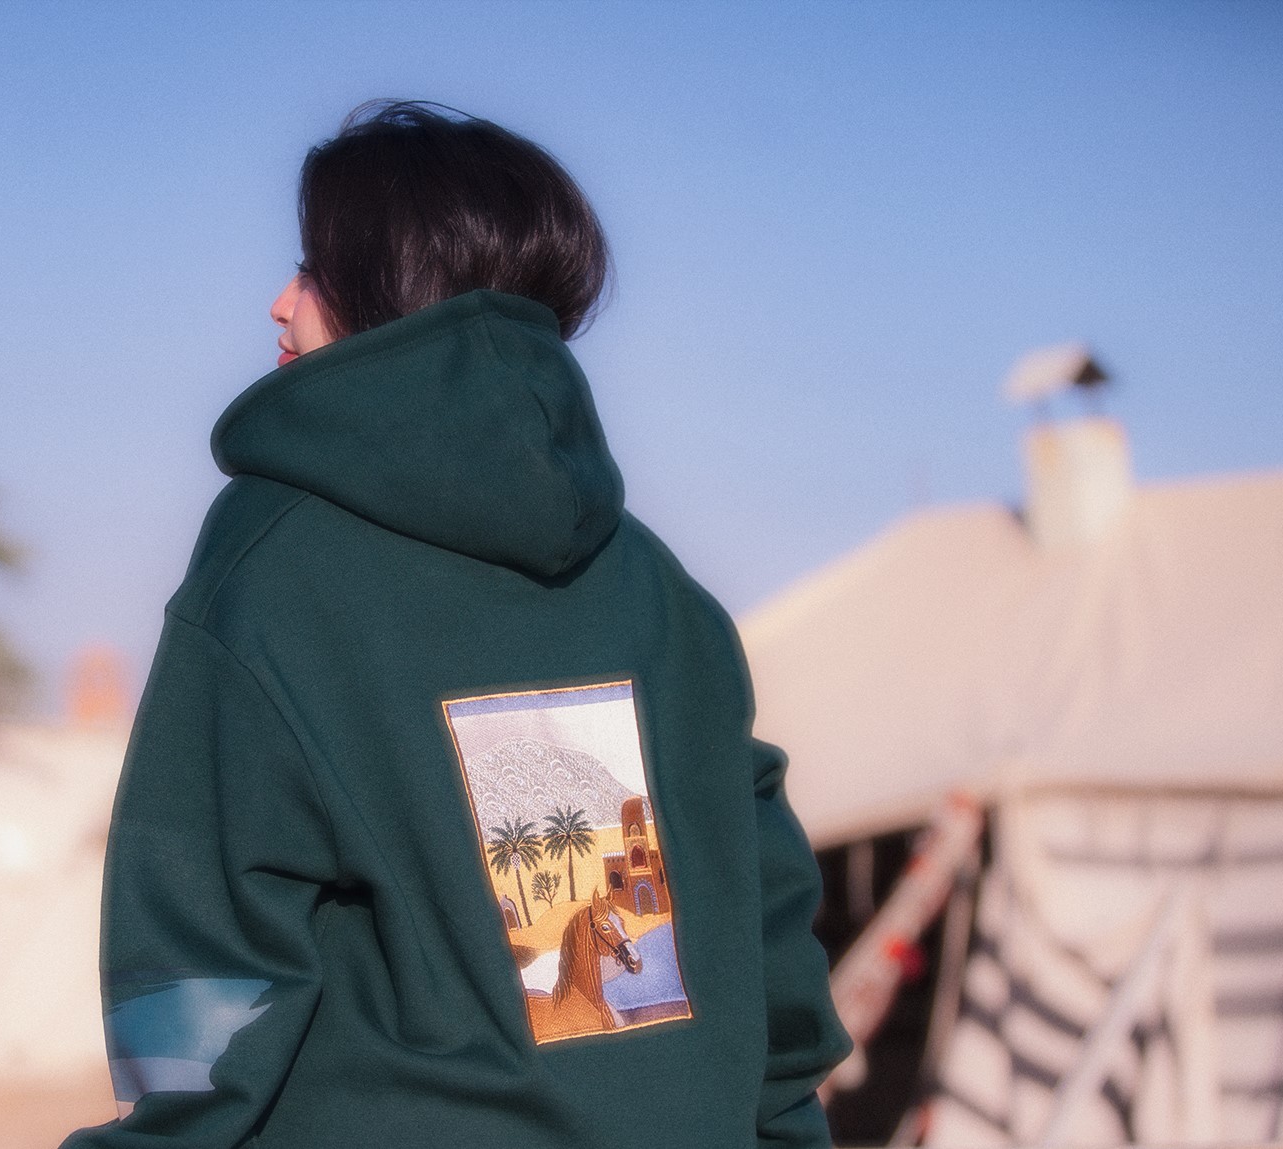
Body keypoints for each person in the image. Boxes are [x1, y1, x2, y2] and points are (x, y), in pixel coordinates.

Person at [61, 101, 848, 1149]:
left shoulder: (275, 561)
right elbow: (769, 916)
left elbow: (202, 942)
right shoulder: (661, 588)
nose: (280, 303)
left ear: (389, 287)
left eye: (312, 270)